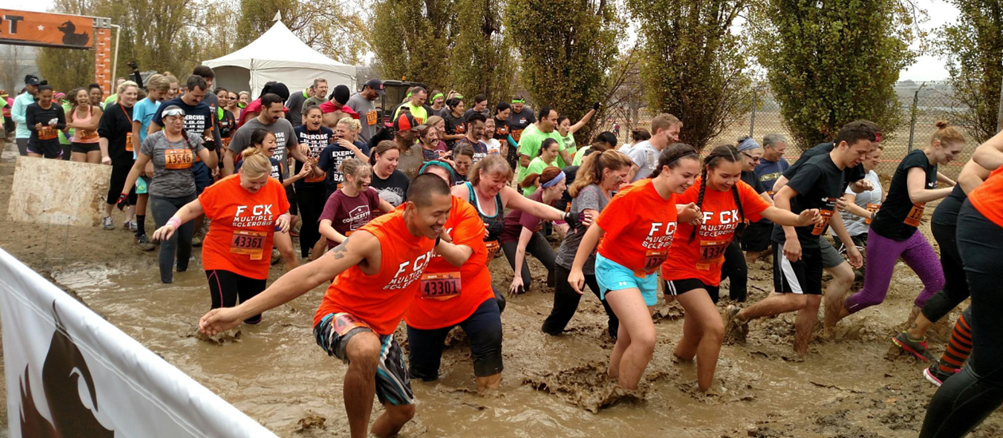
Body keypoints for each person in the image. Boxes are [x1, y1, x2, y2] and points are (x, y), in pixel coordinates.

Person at [198, 174, 470, 438]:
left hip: (381, 329)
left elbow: (458, 257)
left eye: (446, 213)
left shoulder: (432, 231)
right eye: (437, 214)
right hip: (338, 316)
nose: (443, 221)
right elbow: (310, 274)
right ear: (411, 209)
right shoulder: (373, 238)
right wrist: (238, 312)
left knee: (403, 412)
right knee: (365, 348)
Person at [662, 145, 818, 391]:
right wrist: (677, 215)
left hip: (712, 271)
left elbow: (770, 211)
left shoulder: (739, 190)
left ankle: (676, 365)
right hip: (681, 268)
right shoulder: (689, 189)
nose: (731, 181)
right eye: (725, 176)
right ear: (709, 170)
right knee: (715, 328)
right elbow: (655, 212)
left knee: (694, 336)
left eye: (736, 176)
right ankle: (704, 393)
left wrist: (798, 220)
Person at [724, 121, 876, 355]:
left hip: (814, 239)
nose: (863, 158)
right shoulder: (817, 166)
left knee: (813, 300)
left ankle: (800, 353)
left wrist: (849, 246)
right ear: (844, 144)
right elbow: (781, 195)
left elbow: (830, 209)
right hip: (791, 238)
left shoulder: (843, 171)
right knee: (796, 300)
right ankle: (741, 315)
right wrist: (791, 236)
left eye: (868, 153)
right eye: (861, 152)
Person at [567, 144, 701, 389]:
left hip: (646, 273)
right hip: (616, 267)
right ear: (667, 170)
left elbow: (659, 216)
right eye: (686, 176)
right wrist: (576, 268)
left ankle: (611, 382)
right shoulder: (633, 194)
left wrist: (682, 216)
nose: (691, 182)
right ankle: (624, 397)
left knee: (627, 338)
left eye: (695, 176)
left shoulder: (673, 196)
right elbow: (597, 228)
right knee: (646, 338)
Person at [832, 122, 964, 338]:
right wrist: (955, 189)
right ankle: (829, 320)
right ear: (937, 144)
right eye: (953, 152)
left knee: (938, 283)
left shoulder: (931, 161)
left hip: (910, 233)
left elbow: (933, 177)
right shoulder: (917, 160)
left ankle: (911, 331)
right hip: (886, 233)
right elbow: (916, 195)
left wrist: (954, 181)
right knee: (873, 295)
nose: (955, 158)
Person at [919, 131, 1003, 438]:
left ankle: (943, 362)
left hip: (979, 223)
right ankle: (936, 358)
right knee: (993, 370)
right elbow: (978, 161)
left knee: (972, 300)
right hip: (988, 223)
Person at [155, 146, 289, 325]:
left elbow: (284, 211)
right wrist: (172, 223)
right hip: (221, 255)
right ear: (240, 172)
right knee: (224, 307)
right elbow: (192, 208)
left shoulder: (275, 187)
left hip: (256, 259)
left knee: (253, 317)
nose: (257, 187)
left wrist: (284, 218)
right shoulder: (222, 188)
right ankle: (209, 340)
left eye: (262, 183)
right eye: (252, 183)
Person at [404, 164, 503, 391]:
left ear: (451, 189)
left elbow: (458, 257)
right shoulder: (400, 219)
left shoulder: (465, 212)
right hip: (424, 307)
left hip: (473, 296)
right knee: (422, 379)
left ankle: (490, 409)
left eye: (443, 186)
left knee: (490, 351)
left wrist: (432, 236)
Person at [452, 155, 586, 292]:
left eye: (504, 182)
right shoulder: (462, 193)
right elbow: (437, 223)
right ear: (481, 174)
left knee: (494, 303)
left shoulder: (503, 193)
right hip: (459, 262)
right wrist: (470, 226)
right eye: (495, 181)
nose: (499, 186)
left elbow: (534, 207)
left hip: (481, 263)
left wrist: (566, 216)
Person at [909, 159, 989, 383]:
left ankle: (913, 335)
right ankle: (949, 367)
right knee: (988, 291)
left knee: (957, 288)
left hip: (953, 219)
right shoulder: (993, 154)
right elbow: (966, 177)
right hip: (960, 221)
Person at [120, 105, 217, 283]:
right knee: (168, 238)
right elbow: (138, 166)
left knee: (186, 240)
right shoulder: (154, 140)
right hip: (162, 196)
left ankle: (182, 277)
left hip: (188, 195)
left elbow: (211, 165)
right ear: (164, 121)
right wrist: (124, 193)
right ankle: (166, 283)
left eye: (181, 118)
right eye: (173, 119)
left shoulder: (192, 138)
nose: (178, 122)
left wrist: (212, 149)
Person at [543, 150, 632, 339]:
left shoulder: (613, 192)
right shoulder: (590, 192)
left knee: (618, 309)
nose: (625, 180)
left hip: (600, 263)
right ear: (607, 172)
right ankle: (547, 341)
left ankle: (617, 344)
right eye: (622, 176)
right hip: (573, 262)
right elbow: (597, 226)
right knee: (561, 316)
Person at [505, 167, 566, 294]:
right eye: (562, 185)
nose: (565, 188)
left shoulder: (552, 197)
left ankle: (551, 291)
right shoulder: (533, 207)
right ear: (551, 187)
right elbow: (521, 245)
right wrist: (517, 276)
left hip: (531, 231)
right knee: (524, 283)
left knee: (556, 266)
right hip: (509, 234)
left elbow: (557, 219)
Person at [318, 158, 395, 250]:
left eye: (369, 176)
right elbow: (323, 227)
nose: (368, 181)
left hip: (364, 243)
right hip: (343, 248)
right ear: (349, 177)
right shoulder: (336, 198)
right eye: (363, 177)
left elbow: (389, 208)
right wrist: (347, 241)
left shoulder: (368, 192)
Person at [224, 92, 306, 176]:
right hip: (256, 183)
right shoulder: (246, 129)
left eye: (280, 111)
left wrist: (307, 161)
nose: (279, 115)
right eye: (275, 111)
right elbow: (229, 155)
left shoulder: (285, 124)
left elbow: (294, 148)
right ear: (263, 108)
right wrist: (231, 179)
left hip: (282, 180)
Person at [99, 81, 141, 231]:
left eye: (134, 94)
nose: (132, 96)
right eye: (129, 93)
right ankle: (107, 215)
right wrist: (105, 155)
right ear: (121, 94)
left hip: (136, 156)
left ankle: (129, 219)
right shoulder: (112, 111)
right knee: (117, 187)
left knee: (136, 188)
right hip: (118, 154)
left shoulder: (138, 109)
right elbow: (103, 134)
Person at [744, 133, 791, 263]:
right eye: (780, 150)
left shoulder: (782, 163)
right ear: (768, 147)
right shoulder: (754, 166)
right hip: (758, 217)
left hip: (776, 212)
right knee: (753, 251)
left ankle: (764, 255)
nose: (783, 153)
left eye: (784, 150)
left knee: (778, 240)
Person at [295, 105, 335, 258]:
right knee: (307, 217)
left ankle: (316, 249)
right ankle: (305, 251)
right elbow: (289, 150)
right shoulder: (297, 131)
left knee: (320, 216)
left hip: (323, 179)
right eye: (313, 116)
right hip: (304, 181)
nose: (316, 119)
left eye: (319, 116)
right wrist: (299, 146)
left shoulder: (327, 132)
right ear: (305, 117)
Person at [832, 144, 884, 254]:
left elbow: (884, 198)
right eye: (875, 157)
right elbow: (847, 204)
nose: (879, 161)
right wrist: (872, 215)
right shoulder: (853, 176)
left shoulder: (873, 174)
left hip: (868, 229)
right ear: (864, 156)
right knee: (864, 267)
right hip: (851, 231)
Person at [316, 116, 371, 198]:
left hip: (358, 188)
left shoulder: (361, 147)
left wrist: (353, 148)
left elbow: (370, 165)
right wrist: (313, 165)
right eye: (337, 131)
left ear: (353, 132)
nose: (339, 134)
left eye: (342, 131)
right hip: (335, 189)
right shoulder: (330, 149)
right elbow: (320, 172)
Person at [628, 114, 682, 181]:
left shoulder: (665, 153)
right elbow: (625, 181)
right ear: (660, 131)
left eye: (677, 134)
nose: (677, 138)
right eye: (673, 134)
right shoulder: (641, 150)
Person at [516, 107, 562, 182]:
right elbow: (523, 161)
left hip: (548, 180)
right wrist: (544, 169)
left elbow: (565, 155)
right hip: (528, 182)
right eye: (553, 120)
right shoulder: (529, 135)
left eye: (556, 120)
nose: (556, 123)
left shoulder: (556, 134)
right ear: (543, 119)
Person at [24, 84, 66, 159]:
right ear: (38, 95)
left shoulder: (58, 108)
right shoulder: (32, 107)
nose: (47, 99)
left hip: (52, 143)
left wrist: (56, 126)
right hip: (36, 142)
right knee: (33, 167)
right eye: (44, 96)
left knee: (53, 168)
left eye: (49, 96)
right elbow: (29, 125)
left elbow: (63, 125)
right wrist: (36, 127)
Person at [554, 103, 599, 168]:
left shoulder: (570, 131)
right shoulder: (555, 136)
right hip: (562, 168)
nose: (567, 127)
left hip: (573, 164)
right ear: (557, 126)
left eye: (569, 125)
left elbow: (582, 121)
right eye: (565, 125)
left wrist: (593, 110)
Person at [66, 88, 104, 163]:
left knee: (93, 168)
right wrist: (56, 126)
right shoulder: (70, 112)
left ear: (88, 97)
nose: (83, 98)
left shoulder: (95, 110)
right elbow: (66, 128)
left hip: (94, 143)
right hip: (78, 143)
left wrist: (74, 125)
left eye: (85, 96)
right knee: (80, 169)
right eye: (80, 96)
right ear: (76, 98)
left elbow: (93, 127)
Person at [369, 141, 410, 206]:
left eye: (397, 160)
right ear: (377, 157)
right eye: (390, 159)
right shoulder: (365, 177)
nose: (394, 164)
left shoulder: (403, 179)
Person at [346, 79, 385, 144]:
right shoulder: (353, 101)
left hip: (370, 144)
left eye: (379, 94)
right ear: (368, 88)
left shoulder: (372, 101)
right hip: (359, 144)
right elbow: (346, 123)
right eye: (376, 93)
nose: (377, 96)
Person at [12, 75, 40, 156]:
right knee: (25, 159)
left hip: (40, 134)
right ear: (27, 86)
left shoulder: (42, 99)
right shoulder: (19, 99)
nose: (36, 87)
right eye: (33, 85)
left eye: (37, 85)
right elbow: (15, 116)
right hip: (24, 134)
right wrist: (30, 121)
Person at [393, 113, 425, 179]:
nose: (418, 134)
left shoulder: (418, 149)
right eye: (413, 131)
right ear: (402, 133)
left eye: (418, 131)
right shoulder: (389, 153)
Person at [493, 103, 515, 169]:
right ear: (499, 111)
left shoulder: (508, 123)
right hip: (494, 149)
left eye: (508, 114)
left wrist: (516, 145)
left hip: (505, 149)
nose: (507, 115)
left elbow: (508, 136)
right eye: (505, 113)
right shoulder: (492, 121)